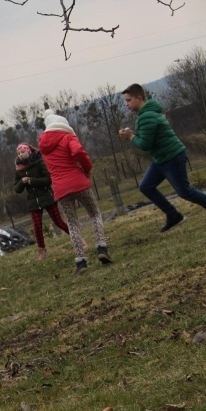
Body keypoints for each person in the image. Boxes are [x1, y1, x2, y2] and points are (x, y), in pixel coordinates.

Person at [118, 83, 206, 232]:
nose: (126, 104)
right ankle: (173, 215)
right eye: (125, 101)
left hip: (172, 156)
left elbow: (145, 145)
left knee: (185, 192)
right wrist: (133, 135)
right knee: (146, 186)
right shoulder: (147, 114)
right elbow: (149, 138)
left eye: (128, 100)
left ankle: (175, 215)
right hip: (161, 158)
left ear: (139, 98)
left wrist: (131, 136)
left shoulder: (146, 116)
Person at [39, 109, 113, 274]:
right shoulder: (67, 137)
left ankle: (81, 261)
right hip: (79, 183)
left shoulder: (43, 147)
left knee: (72, 224)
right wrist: (87, 168)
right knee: (94, 214)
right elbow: (78, 152)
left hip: (60, 188)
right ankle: (101, 247)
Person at [13, 143, 70, 260]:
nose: (20, 155)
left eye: (22, 152)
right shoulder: (18, 169)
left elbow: (48, 179)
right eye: (18, 153)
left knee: (59, 222)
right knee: (37, 227)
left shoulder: (39, 162)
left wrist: (32, 181)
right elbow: (16, 189)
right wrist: (22, 182)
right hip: (33, 201)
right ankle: (42, 251)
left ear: (29, 151)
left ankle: (77, 238)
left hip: (47, 197)